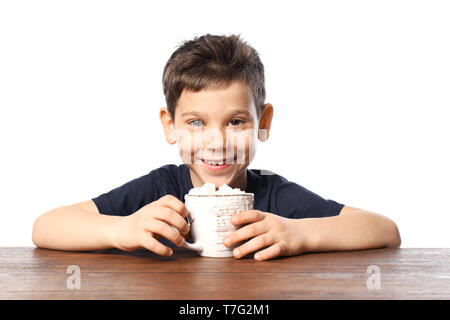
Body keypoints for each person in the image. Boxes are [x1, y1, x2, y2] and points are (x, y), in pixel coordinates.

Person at [32, 34, 401, 261]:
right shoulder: (159, 190)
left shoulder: (274, 196)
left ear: (263, 122)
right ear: (170, 125)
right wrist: (122, 229)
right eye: (196, 122)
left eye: (236, 121)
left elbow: (383, 230)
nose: (217, 141)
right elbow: (47, 227)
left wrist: (300, 234)